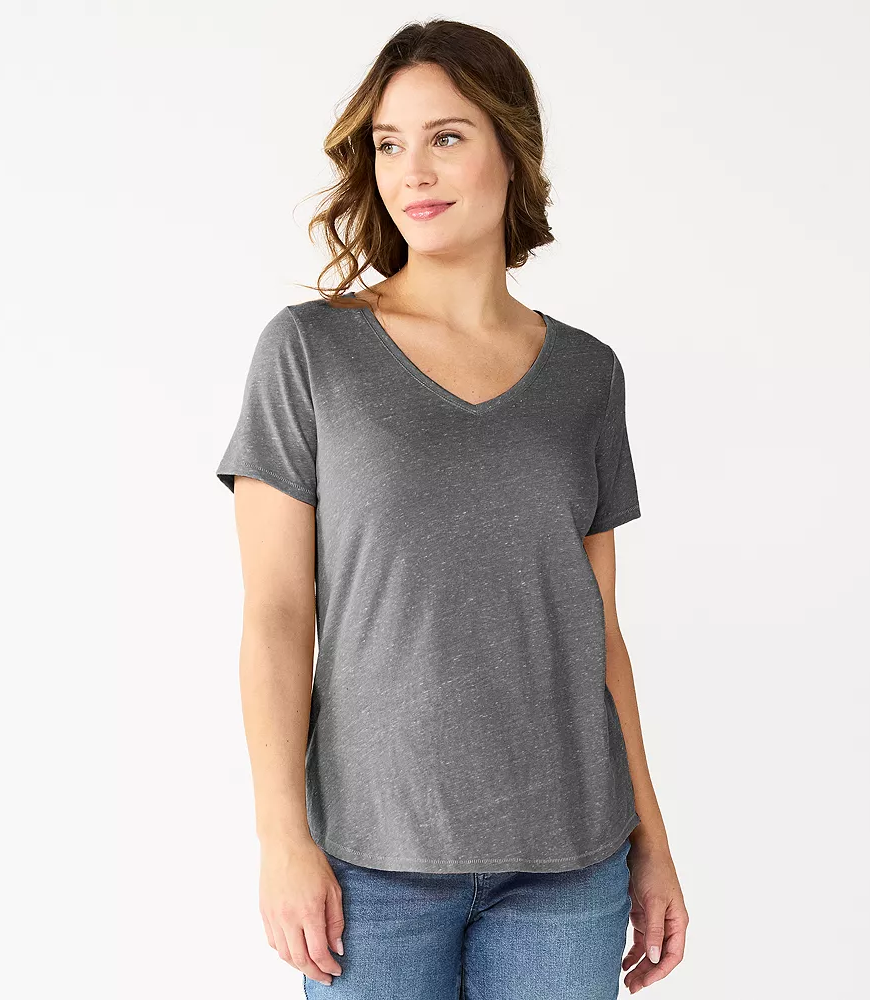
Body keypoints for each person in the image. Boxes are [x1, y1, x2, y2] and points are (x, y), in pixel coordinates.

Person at [215, 18, 688, 1000]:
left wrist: (652, 839)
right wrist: (280, 837)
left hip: (571, 864)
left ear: (512, 151)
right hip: (370, 866)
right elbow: (276, 613)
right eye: (389, 144)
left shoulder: (587, 375)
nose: (412, 172)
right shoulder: (309, 353)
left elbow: (599, 630)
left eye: (446, 136)